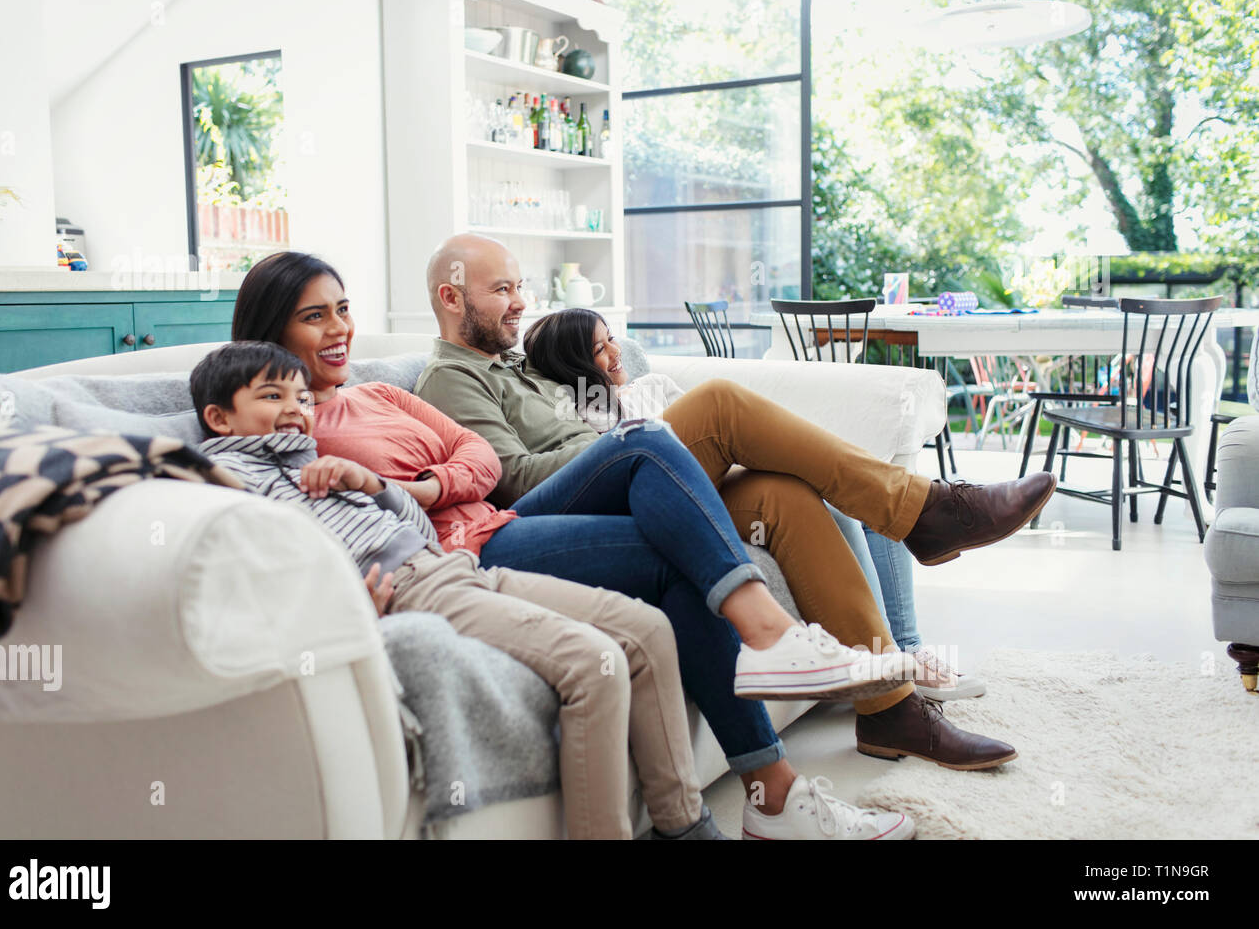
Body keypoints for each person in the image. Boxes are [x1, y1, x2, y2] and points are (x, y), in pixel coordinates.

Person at [231, 251, 920, 841]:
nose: (339, 329)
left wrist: (431, 482)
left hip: (499, 523)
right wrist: (395, 510)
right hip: (470, 556)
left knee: (690, 530)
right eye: (314, 316)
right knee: (649, 439)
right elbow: (284, 515)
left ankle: (774, 795)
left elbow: (480, 460)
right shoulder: (278, 425)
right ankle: (790, 624)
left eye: (342, 309)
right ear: (270, 334)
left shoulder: (383, 393)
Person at [414, 233, 1052, 775]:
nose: (520, 301)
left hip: (630, 481)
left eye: (520, 286)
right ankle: (930, 513)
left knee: (783, 495)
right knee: (718, 404)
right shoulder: (452, 376)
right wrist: (619, 444)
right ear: (450, 297)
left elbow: (587, 396)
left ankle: (890, 710)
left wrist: (615, 415)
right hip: (563, 512)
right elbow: (514, 480)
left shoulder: (519, 364)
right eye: (502, 290)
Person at [189, 339, 740, 840]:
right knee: (593, 663)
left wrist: (375, 485)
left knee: (645, 630)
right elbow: (261, 565)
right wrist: (346, 608)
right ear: (219, 418)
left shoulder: (314, 461)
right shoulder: (228, 477)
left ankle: (684, 826)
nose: (295, 409)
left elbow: (422, 523)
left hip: (451, 566)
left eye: (302, 398)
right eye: (271, 396)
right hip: (411, 588)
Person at [522, 307, 986, 701]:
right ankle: (900, 633)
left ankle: (905, 645)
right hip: (674, 495)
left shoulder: (654, 386)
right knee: (793, 470)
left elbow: (726, 444)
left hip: (724, 475)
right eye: (600, 349)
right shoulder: (585, 415)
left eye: (612, 340)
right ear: (576, 365)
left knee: (844, 499)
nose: (616, 353)